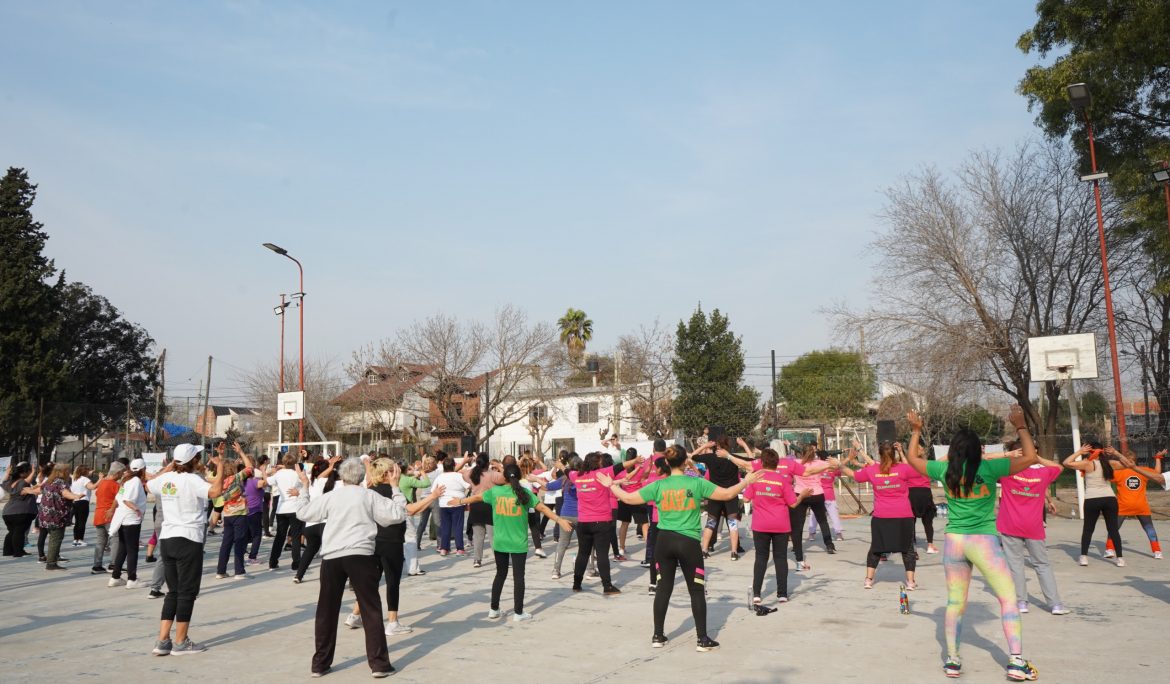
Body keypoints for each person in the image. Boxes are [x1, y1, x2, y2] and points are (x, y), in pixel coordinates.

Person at [904, 407, 1039, 681]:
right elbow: (1031, 457)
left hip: (954, 541)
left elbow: (911, 459)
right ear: (979, 449)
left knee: (955, 602)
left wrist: (916, 431)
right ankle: (1016, 661)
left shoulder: (944, 469)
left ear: (953, 449)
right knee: (1008, 599)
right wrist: (1021, 426)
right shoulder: (990, 467)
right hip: (984, 541)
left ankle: (952, 661)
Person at [599, 445, 764, 652]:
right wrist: (746, 481)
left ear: (666, 463)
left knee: (663, 589)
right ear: (685, 462)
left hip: (664, 541)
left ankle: (658, 636)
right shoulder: (696, 483)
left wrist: (610, 485)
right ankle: (702, 639)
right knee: (696, 590)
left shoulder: (659, 485)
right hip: (688, 543)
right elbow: (726, 494)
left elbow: (629, 498)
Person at [291, 457, 406, 678]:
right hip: (361, 555)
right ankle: (379, 664)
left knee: (326, 610)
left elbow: (303, 513)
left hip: (333, 555)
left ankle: (320, 664)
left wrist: (305, 486)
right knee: (370, 609)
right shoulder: (368, 495)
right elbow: (397, 514)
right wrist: (395, 488)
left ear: (342, 477)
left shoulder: (332, 496)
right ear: (362, 477)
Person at [454, 463, 572, 621]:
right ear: (520, 476)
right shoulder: (525, 493)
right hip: (518, 543)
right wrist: (560, 520)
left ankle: (494, 609)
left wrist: (461, 501)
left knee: (500, 575)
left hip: (500, 542)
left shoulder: (495, 492)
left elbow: (477, 497)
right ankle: (518, 613)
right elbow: (543, 509)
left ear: (504, 477)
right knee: (519, 577)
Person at [147, 443, 226, 656]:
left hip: (167, 539)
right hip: (188, 538)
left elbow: (149, 485)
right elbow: (216, 491)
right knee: (187, 592)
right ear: (194, 460)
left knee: (173, 591)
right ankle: (181, 642)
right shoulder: (193, 480)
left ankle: (163, 641)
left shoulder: (165, 479)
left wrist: (169, 467)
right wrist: (221, 467)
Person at [995, 446, 1068, 615]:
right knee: (1042, 564)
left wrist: (1009, 456)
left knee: (1015, 565)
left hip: (1010, 525)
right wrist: (1037, 458)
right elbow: (1060, 467)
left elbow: (985, 461)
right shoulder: (1042, 473)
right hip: (1033, 526)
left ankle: (1021, 602)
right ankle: (1055, 604)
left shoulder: (1007, 473)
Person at [838, 442, 916, 588]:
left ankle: (868, 580)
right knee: (907, 548)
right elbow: (919, 469)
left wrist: (839, 464)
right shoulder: (904, 469)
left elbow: (853, 474)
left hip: (881, 516)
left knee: (876, 547)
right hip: (903, 515)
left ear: (880, 455)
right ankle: (910, 582)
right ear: (894, 455)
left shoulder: (873, 470)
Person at [744, 448, 809, 605]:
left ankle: (757, 594)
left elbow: (745, 500)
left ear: (761, 462)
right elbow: (793, 504)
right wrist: (803, 495)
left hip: (760, 525)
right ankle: (782, 594)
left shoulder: (756, 479)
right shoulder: (782, 480)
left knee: (761, 558)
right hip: (780, 524)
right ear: (777, 462)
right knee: (780, 558)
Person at [1062, 443, 1125, 567]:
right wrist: (1116, 453)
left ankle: (1084, 557)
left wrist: (1079, 452)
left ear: (1090, 451)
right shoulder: (1109, 463)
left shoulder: (1086, 463)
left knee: (1088, 529)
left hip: (1092, 498)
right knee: (1113, 529)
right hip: (1109, 498)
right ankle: (1120, 559)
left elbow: (1066, 463)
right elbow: (1128, 464)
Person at [1101, 448, 1161, 560]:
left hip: (1123, 506)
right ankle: (1157, 551)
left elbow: (1104, 476)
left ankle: (1109, 549)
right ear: (1135, 460)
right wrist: (1158, 458)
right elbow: (1157, 473)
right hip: (1141, 506)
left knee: (1114, 528)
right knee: (1149, 528)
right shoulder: (1142, 471)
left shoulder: (1118, 472)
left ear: (1123, 461)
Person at [215, 443, 256, 580]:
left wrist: (220, 457)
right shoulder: (236, 478)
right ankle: (239, 571)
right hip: (239, 513)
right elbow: (250, 468)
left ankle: (221, 570)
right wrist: (241, 452)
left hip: (227, 514)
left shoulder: (219, 481)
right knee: (240, 542)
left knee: (226, 543)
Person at [35, 463, 86, 570]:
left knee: (53, 538)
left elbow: (38, 490)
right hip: (56, 516)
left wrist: (27, 491)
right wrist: (76, 496)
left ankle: (51, 559)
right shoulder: (61, 483)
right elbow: (66, 493)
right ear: (62, 472)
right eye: (67, 471)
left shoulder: (48, 481)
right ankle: (51, 563)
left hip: (45, 515)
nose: (69, 473)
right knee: (56, 538)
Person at [790, 444, 837, 557]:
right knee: (822, 521)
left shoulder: (795, 462)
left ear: (801, 453)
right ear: (814, 453)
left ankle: (797, 547)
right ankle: (829, 545)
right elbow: (835, 466)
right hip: (817, 493)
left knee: (798, 523)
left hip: (800, 493)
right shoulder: (819, 463)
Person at [108, 459, 149, 586]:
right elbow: (126, 500)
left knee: (123, 548)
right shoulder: (135, 481)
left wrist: (112, 509)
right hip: (131, 519)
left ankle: (115, 577)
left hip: (122, 518)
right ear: (143, 469)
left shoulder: (125, 480)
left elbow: (118, 497)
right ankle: (132, 579)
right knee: (132, 550)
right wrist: (136, 508)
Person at [464, 453, 503, 568]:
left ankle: (477, 560)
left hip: (475, 506)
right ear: (488, 463)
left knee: (478, 536)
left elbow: (464, 473)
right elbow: (506, 476)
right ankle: (498, 559)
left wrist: (475, 465)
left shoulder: (472, 474)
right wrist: (499, 466)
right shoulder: (493, 475)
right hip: (490, 506)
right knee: (493, 536)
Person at [268, 452, 305, 571]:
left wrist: (265, 472)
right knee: (296, 536)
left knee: (280, 535)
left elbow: (268, 481)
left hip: (281, 508)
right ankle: (296, 563)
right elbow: (305, 484)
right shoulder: (296, 474)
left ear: (283, 462)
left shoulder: (278, 474)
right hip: (295, 507)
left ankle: (273, 561)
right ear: (295, 463)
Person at [900, 441, 938, 555]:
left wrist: (901, 452)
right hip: (925, 494)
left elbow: (905, 461)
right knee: (928, 522)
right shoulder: (926, 464)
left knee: (911, 521)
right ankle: (930, 545)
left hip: (912, 494)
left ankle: (913, 548)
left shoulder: (909, 465)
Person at [432, 454, 471, 556]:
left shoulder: (439, 477)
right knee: (458, 526)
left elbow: (433, 490)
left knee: (445, 527)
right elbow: (469, 486)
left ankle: (444, 548)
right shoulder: (458, 476)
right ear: (454, 466)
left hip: (444, 504)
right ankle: (459, 549)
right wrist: (464, 495)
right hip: (457, 503)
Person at [90, 462, 125, 573]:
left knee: (100, 541)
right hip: (110, 514)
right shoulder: (115, 485)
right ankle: (114, 564)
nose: (122, 475)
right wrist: (124, 485)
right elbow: (122, 495)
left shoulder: (102, 483)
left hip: (98, 514)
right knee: (115, 539)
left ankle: (97, 565)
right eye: (121, 473)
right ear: (118, 473)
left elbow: (97, 495)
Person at [2, 461, 37, 558]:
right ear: (25, 472)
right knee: (19, 532)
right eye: (29, 472)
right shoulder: (22, 482)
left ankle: (7, 551)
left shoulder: (10, 483)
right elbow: (27, 481)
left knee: (12, 532)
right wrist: (33, 471)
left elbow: (3, 482)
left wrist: (7, 473)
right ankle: (18, 552)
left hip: (7, 512)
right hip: (20, 512)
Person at [806, 454, 844, 543]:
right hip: (829, 496)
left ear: (819, 459)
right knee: (834, 515)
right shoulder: (833, 470)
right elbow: (840, 470)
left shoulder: (817, 470)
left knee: (814, 515)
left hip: (818, 495)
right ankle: (839, 533)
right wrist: (836, 463)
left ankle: (812, 533)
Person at [69, 465, 98, 546]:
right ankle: (80, 539)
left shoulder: (75, 479)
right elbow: (92, 487)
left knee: (77, 521)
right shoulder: (85, 479)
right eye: (88, 470)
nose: (89, 472)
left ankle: (75, 539)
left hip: (75, 501)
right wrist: (100, 480)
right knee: (82, 522)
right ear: (85, 471)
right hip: (83, 501)